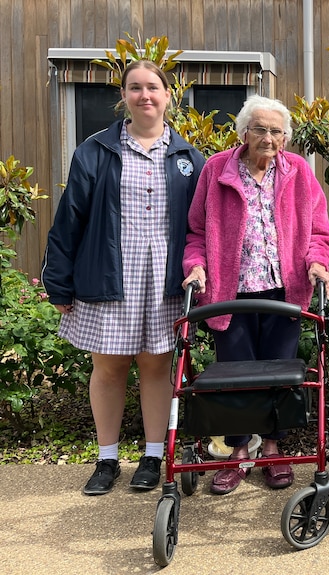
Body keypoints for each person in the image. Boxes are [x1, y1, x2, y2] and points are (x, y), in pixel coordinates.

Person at [41, 60, 206, 495]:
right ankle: (107, 459)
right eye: (135, 88)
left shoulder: (189, 158)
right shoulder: (95, 150)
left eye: (153, 87)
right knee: (109, 369)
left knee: (157, 368)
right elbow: (69, 220)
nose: (145, 95)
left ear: (169, 95)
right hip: (109, 274)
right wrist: (58, 281)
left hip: (165, 280)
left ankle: (153, 455)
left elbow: (203, 229)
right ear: (125, 96)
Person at [182, 95, 329, 495]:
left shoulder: (298, 171)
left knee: (279, 373)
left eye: (276, 131)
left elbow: (319, 231)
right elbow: (197, 232)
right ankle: (237, 454)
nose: (268, 137)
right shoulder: (217, 170)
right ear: (244, 132)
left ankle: (272, 449)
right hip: (229, 293)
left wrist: (317, 263)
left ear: (285, 137)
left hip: (284, 291)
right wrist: (195, 267)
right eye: (260, 129)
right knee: (234, 375)